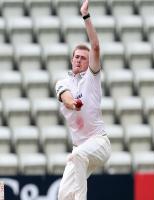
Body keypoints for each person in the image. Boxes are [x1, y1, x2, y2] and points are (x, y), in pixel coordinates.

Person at [55, 0, 111, 199]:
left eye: (83, 58)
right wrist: (73, 104)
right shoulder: (63, 82)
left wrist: (85, 16)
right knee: (63, 194)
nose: (78, 60)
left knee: (78, 156)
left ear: (89, 63)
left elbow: (95, 46)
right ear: (71, 59)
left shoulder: (92, 78)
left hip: (99, 143)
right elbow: (66, 98)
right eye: (76, 57)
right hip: (80, 148)